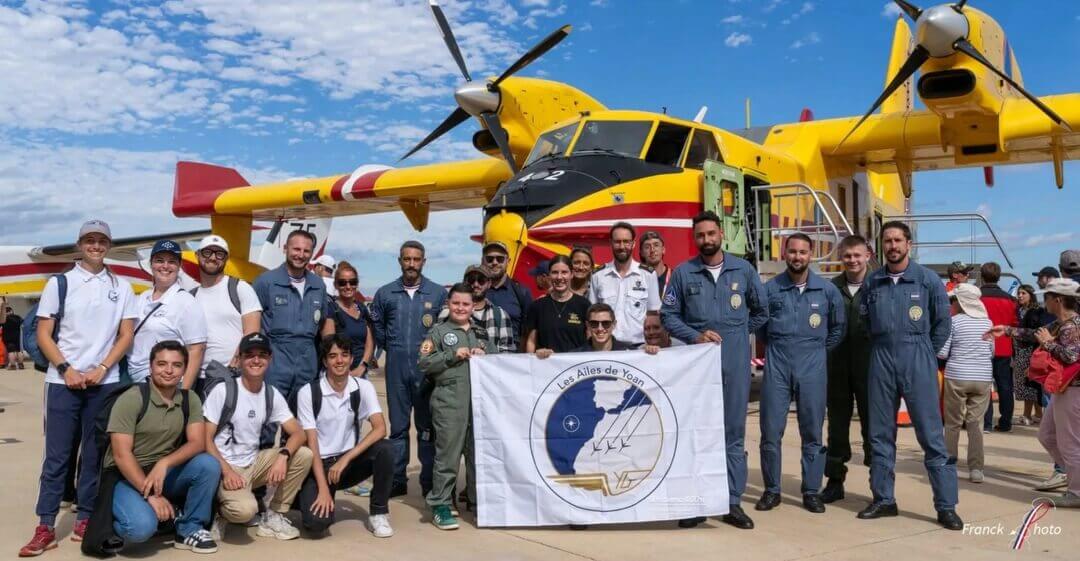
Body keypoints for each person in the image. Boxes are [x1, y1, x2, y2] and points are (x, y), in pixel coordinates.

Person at [20, 220, 139, 557]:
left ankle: (86, 517)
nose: (96, 246)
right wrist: (65, 368)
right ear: (80, 244)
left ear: (109, 246)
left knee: (94, 455)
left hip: (104, 383)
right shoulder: (60, 283)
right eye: (90, 240)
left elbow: (126, 335)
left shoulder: (122, 286)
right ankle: (45, 524)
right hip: (63, 382)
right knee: (56, 457)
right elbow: (44, 333)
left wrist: (103, 368)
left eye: (102, 241)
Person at [661, 210, 767, 530]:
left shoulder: (744, 270)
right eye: (700, 236)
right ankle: (697, 502)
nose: (706, 240)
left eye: (711, 234)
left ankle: (731, 502)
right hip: (697, 367)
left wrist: (737, 333)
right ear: (694, 239)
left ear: (721, 233)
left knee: (733, 433)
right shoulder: (683, 273)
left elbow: (760, 311)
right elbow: (668, 316)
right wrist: (695, 335)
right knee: (697, 434)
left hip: (734, 364)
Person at [856, 221, 961, 530]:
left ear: (909, 244)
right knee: (879, 434)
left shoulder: (927, 280)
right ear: (882, 246)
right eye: (887, 241)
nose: (893, 246)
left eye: (898, 240)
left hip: (918, 357)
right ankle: (884, 499)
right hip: (881, 357)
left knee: (931, 435)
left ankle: (946, 506)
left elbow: (943, 323)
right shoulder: (872, 282)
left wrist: (926, 353)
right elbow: (863, 319)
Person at [99, 341, 220, 553]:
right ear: (151, 366)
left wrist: (165, 463)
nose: (168, 370)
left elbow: (197, 442)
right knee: (140, 529)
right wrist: (152, 496)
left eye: (176, 365)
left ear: (184, 369)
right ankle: (114, 522)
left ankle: (189, 528)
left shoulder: (189, 398)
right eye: (162, 364)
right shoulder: (132, 398)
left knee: (208, 464)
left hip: (162, 474)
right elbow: (121, 454)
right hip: (126, 476)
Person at [755, 234, 845, 515]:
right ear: (785, 254)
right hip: (778, 364)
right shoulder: (770, 290)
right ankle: (772, 490)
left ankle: (810, 491)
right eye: (792, 252)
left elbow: (837, 329)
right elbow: (761, 328)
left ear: (811, 254)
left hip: (812, 365)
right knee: (770, 431)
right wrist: (781, 349)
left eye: (803, 252)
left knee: (812, 432)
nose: (797, 257)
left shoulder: (827, 291)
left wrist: (816, 351)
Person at [204, 333, 313, 541]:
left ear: (270, 359)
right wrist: (226, 472)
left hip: (253, 464)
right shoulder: (224, 390)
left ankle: (274, 515)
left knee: (303, 454)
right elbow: (205, 439)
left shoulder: (270, 393)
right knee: (246, 511)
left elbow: (298, 432)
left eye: (262, 355)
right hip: (224, 466)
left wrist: (283, 455)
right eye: (249, 355)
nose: (256, 360)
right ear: (239, 359)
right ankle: (219, 512)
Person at [986, 278, 1080, 507]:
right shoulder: (1061, 323)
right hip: (1062, 389)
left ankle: (1077, 492)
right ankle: (1074, 477)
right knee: (1047, 435)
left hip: (1072, 390)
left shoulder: (1071, 327)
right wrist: (1007, 330)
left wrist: (1048, 344)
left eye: (1047, 297)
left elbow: (1071, 356)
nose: (1043, 301)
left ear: (1057, 299)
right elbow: (1034, 334)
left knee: (1070, 443)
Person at [296, 335, 394, 537]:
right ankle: (301, 498)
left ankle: (378, 513)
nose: (339, 361)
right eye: (332, 356)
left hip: (346, 464)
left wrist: (345, 459)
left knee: (385, 449)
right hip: (319, 464)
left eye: (344, 355)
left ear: (351, 359)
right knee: (316, 525)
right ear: (325, 361)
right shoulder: (308, 392)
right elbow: (311, 443)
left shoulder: (362, 387)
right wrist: (323, 488)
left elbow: (380, 428)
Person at [370, 241, 447, 497]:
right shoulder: (385, 293)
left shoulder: (437, 294)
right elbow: (377, 325)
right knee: (399, 427)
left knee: (426, 428)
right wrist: (393, 346)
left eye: (416, 259)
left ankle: (427, 481)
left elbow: (444, 330)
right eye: (407, 259)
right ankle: (397, 479)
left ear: (423, 261)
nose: (411, 264)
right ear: (400, 261)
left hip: (426, 370)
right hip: (396, 367)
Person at [419, 284, 498, 530]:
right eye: (456, 303)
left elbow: (499, 361)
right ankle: (440, 503)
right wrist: (452, 355)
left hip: (480, 406)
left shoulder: (481, 333)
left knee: (478, 457)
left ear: (473, 306)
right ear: (448, 305)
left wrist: (486, 355)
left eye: (465, 304)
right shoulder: (439, 332)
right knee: (448, 456)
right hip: (449, 403)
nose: (461, 308)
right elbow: (424, 362)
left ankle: (477, 502)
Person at [253, 230, 335, 399]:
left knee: (302, 421)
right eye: (296, 249)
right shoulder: (265, 282)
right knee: (268, 419)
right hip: (274, 364)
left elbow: (325, 324)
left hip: (307, 364)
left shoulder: (318, 285)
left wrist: (332, 354)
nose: (300, 255)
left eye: (306, 251)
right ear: (285, 249)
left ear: (312, 254)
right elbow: (251, 323)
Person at [822, 235, 873, 503]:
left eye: (857, 255)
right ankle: (834, 480)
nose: (852, 260)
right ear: (841, 257)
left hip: (872, 369)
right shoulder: (831, 289)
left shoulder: (880, 286)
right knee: (837, 426)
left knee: (874, 427)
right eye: (847, 256)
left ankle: (880, 485)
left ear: (867, 255)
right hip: (838, 367)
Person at [188, 235, 261, 395]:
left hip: (231, 377)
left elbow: (252, 335)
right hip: (196, 379)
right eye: (207, 252)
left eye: (219, 254)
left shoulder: (240, 288)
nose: (213, 257)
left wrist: (234, 367)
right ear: (197, 255)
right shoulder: (190, 297)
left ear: (226, 258)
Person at [127, 240, 207, 385]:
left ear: (179, 266)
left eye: (172, 261)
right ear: (151, 264)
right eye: (159, 260)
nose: (165, 266)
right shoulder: (141, 298)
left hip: (164, 383)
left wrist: (184, 393)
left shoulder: (187, 302)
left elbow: (197, 349)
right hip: (134, 380)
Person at [938, 284, 994, 484]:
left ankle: (949, 462)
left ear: (960, 302)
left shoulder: (953, 322)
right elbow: (991, 352)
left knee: (952, 423)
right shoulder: (988, 322)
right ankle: (976, 469)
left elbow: (943, 353)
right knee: (976, 425)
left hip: (957, 376)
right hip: (982, 377)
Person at [589, 222, 661, 346]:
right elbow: (592, 316)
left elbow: (652, 314)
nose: (622, 246)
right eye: (617, 242)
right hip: (607, 347)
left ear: (633, 244)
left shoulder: (648, 275)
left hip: (639, 347)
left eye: (626, 241)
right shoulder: (598, 275)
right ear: (611, 243)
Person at [525, 256, 591, 358]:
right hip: (546, 367)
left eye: (564, 272)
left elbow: (590, 340)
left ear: (571, 274)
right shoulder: (537, 306)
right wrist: (534, 356)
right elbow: (531, 342)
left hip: (576, 368)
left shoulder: (584, 305)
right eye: (555, 272)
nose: (559, 277)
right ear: (549, 275)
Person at [437, 265, 514, 353]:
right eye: (471, 280)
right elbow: (437, 348)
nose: (476, 284)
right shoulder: (447, 313)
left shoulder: (500, 315)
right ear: (464, 282)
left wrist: (485, 355)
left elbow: (507, 352)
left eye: (481, 280)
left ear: (489, 284)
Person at [979, 261, 1018, 433]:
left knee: (984, 385)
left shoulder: (977, 298)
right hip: (1004, 346)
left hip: (982, 345)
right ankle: (1006, 422)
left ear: (982, 276)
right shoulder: (1010, 299)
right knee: (1005, 385)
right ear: (999, 276)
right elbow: (1015, 324)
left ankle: (986, 423)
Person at [327, 261, 374, 378]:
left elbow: (369, 342)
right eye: (342, 283)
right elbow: (328, 346)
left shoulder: (361, 308)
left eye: (352, 282)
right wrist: (343, 373)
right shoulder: (330, 309)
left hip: (362, 373)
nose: (348, 286)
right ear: (336, 285)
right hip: (339, 374)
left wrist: (362, 366)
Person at [481, 241, 533, 348]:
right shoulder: (474, 291)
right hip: (480, 358)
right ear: (483, 261)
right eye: (489, 259)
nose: (494, 262)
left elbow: (529, 332)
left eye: (500, 259)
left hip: (512, 358)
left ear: (508, 261)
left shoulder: (522, 292)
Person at [1014, 285, 1051, 426]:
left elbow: (1035, 332)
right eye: (1019, 293)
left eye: (1023, 293)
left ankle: (1027, 415)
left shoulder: (1036, 311)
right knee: (1027, 383)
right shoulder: (1019, 310)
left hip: (1030, 350)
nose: (1020, 296)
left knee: (1029, 383)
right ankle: (1038, 414)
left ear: (1031, 295)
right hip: (1020, 350)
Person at [639, 231, 672, 296]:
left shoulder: (675, 277)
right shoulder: (635, 278)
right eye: (647, 247)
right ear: (642, 253)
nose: (652, 250)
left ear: (663, 250)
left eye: (656, 245)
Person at [4, 305, 25, 369]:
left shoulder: (4, 318)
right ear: (12, 311)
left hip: (8, 337)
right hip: (18, 337)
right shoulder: (17, 317)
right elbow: (23, 324)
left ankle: (12, 365)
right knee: (19, 351)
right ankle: (21, 364)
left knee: (11, 351)